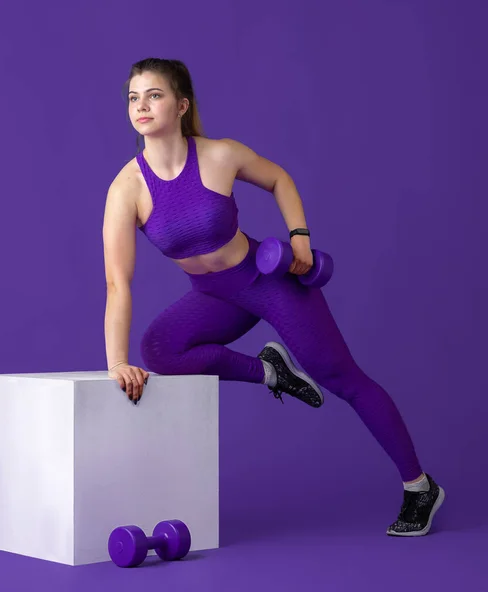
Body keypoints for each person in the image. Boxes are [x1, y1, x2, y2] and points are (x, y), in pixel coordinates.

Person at [102, 57, 445, 537]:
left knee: (340, 377)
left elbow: (279, 178)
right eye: (134, 97)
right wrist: (116, 361)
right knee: (159, 350)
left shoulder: (220, 155)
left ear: (181, 105)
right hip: (213, 296)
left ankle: (419, 487)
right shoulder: (126, 188)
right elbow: (118, 282)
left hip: (265, 280)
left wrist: (299, 236)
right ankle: (270, 371)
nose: (142, 105)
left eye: (154, 95)